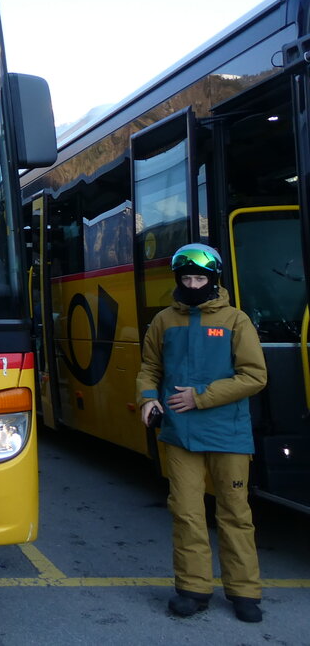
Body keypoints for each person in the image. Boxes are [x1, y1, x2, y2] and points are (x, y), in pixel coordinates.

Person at [136, 243, 267, 623]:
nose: (193, 285)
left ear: (213, 280)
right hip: (180, 434)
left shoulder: (236, 320)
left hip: (228, 433)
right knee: (186, 513)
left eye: (200, 278)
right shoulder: (163, 321)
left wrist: (201, 397)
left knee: (235, 513)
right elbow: (149, 368)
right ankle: (193, 589)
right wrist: (148, 398)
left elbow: (254, 376)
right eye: (187, 279)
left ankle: (244, 592)